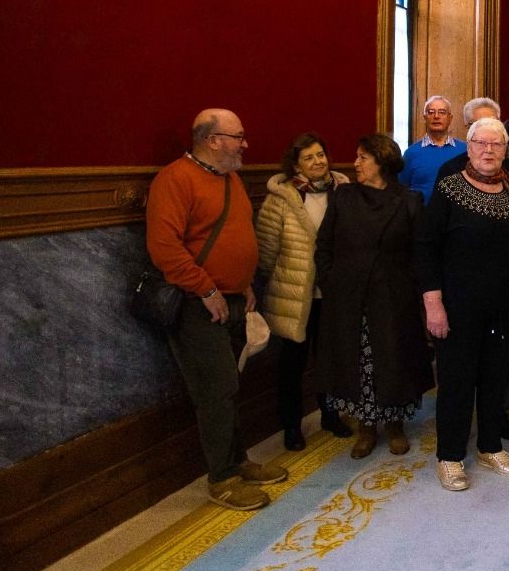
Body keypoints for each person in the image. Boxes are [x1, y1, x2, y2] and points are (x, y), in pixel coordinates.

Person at [146, 109, 285, 511]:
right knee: (217, 389)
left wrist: (242, 283)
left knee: (228, 387)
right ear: (212, 140)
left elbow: (233, 234)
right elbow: (164, 248)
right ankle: (222, 478)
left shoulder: (230, 179)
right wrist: (207, 289)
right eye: (237, 137)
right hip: (198, 305)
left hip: (233, 298)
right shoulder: (174, 180)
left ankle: (238, 462)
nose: (245, 144)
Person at [417, 118, 509, 491]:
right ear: (468, 147)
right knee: (457, 380)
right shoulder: (449, 189)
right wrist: (433, 303)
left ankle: (490, 446)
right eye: (481, 143)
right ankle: (450, 456)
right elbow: (425, 248)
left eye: (496, 145)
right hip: (457, 305)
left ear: (505, 150)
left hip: (505, 303)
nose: (489, 151)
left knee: (496, 377)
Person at [316, 133, 431, 460]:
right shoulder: (343, 196)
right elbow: (324, 244)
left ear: (382, 161)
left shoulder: (408, 201)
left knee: (394, 360)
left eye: (362, 157)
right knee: (360, 362)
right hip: (350, 296)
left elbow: (417, 252)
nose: (355, 163)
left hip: (394, 297)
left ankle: (395, 425)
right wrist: (331, 280)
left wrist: (414, 290)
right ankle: (366, 428)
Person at [255, 132, 351, 451]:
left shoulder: (343, 190)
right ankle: (292, 426)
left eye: (321, 154)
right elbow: (266, 251)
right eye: (308, 157)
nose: (317, 162)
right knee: (291, 365)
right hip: (293, 295)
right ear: (296, 164)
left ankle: (330, 414)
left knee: (330, 360)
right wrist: (281, 279)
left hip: (333, 294)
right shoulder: (281, 198)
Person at [398, 95, 465, 202]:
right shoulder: (411, 153)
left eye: (442, 112)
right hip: (420, 215)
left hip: (455, 216)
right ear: (425, 117)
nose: (436, 116)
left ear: (450, 118)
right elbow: (401, 189)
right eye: (431, 112)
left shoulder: (464, 150)